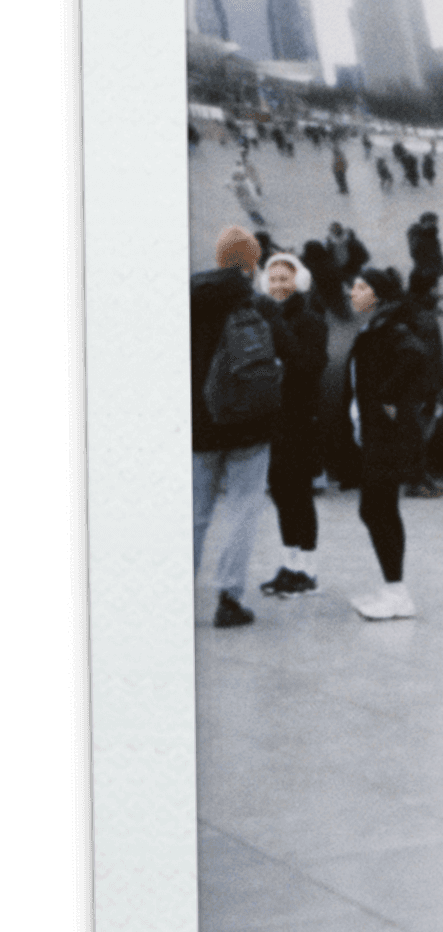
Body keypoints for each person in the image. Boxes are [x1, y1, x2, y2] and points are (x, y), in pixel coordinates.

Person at [191, 224, 291, 629]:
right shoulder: (261, 307)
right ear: (252, 264)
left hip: (200, 427)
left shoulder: (188, 300)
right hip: (250, 428)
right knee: (243, 511)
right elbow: (291, 355)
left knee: (194, 514)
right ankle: (229, 600)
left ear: (218, 260)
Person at [343, 266, 426, 620]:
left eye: (361, 287)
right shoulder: (378, 325)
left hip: (386, 435)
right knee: (376, 508)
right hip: (375, 432)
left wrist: (388, 399)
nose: (353, 292)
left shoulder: (391, 326)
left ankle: (397, 593)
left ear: (377, 294)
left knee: (379, 508)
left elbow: (415, 355)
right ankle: (393, 588)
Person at [256, 250, 330, 598]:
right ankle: (290, 564)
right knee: (280, 492)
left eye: (284, 278)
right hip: (273, 419)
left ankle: (308, 571)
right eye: (272, 279)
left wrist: (276, 327)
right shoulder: (265, 318)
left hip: (299, 419)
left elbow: (307, 365)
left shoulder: (311, 320)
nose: (278, 285)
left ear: (298, 280)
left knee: (299, 494)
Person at [400, 267, 443, 498]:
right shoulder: (417, 312)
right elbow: (426, 352)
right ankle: (415, 481)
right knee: (418, 433)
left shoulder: (418, 308)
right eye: (435, 286)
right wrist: (433, 387)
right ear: (428, 288)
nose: (438, 290)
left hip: (425, 381)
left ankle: (421, 477)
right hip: (421, 383)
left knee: (421, 433)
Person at [406, 210, 443, 282]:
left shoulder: (432, 236)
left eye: (435, 222)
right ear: (424, 222)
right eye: (431, 222)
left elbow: (438, 253)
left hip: (432, 272)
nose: (434, 224)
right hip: (421, 273)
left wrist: (442, 267)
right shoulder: (417, 234)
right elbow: (416, 251)